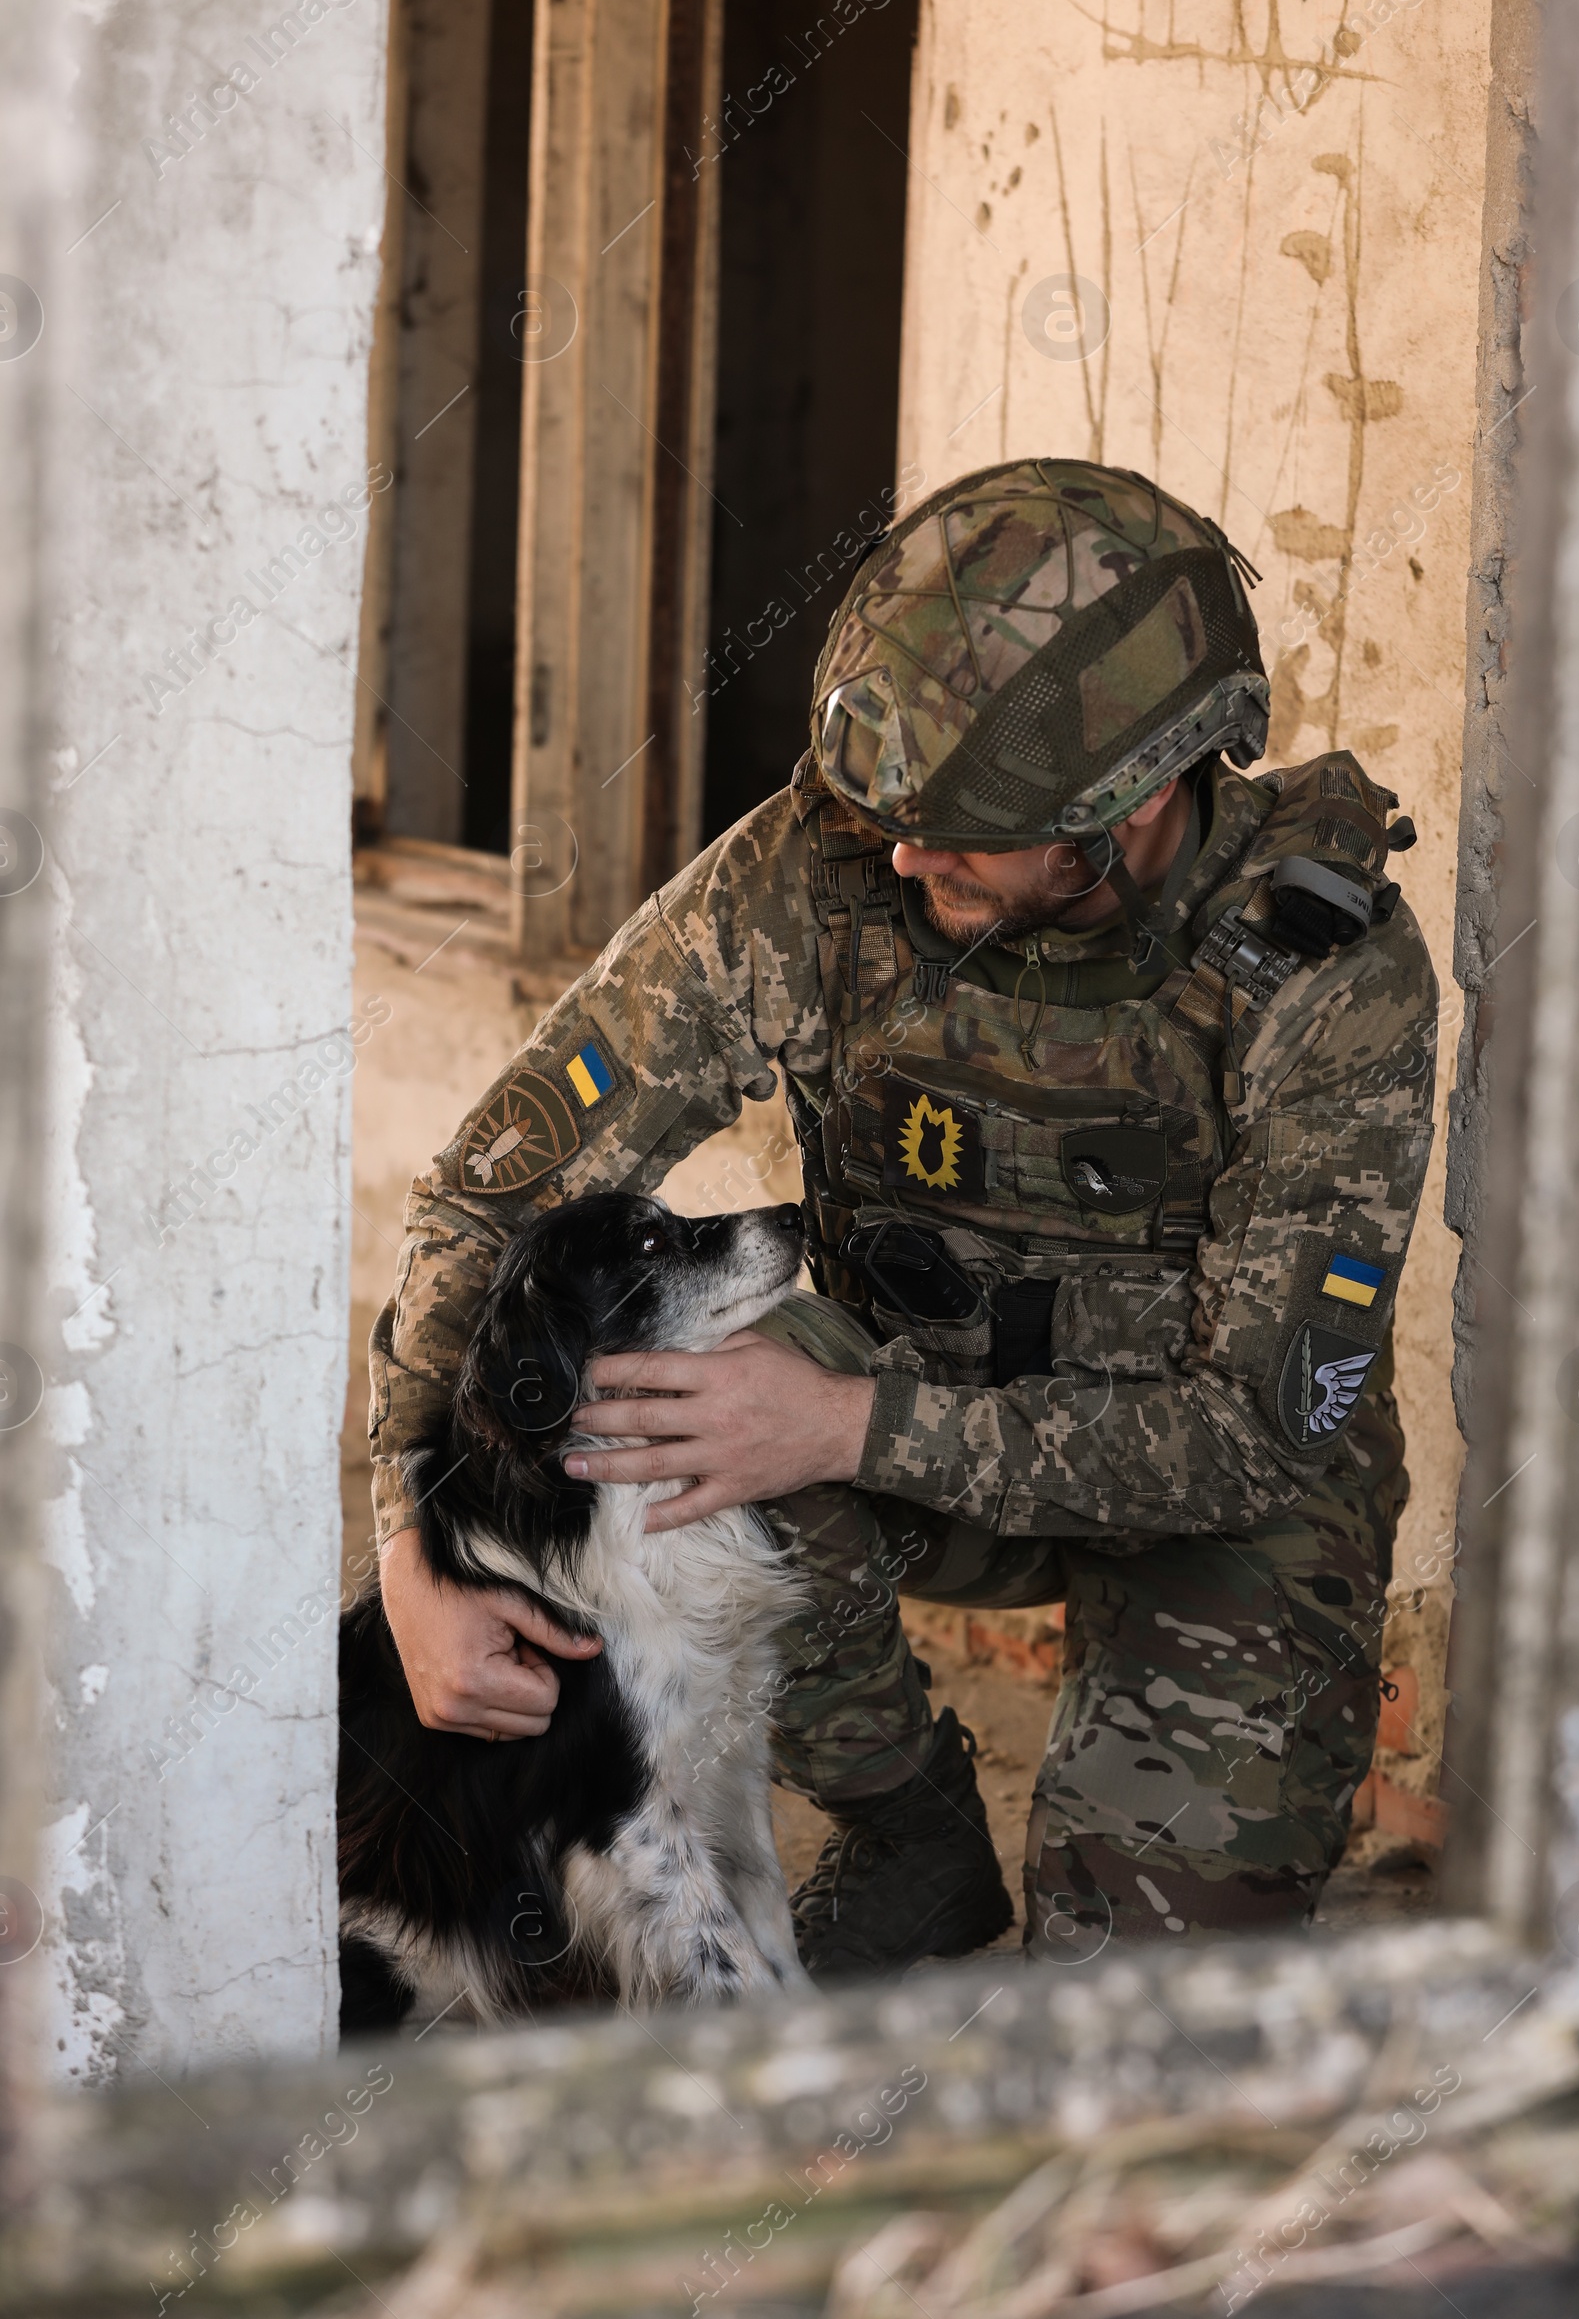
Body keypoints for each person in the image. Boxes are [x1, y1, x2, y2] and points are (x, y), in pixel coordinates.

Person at [372, 459, 1437, 1975]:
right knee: (631, 1396)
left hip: (1226, 1501)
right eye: (893, 813)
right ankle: (907, 1821)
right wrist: (413, 1546)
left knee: (1128, 2009)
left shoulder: (1320, 970)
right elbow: (500, 1185)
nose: (905, 854)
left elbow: (1258, 1434)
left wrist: (850, 1429)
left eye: (960, 829)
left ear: (1130, 804)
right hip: (908, 1414)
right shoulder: (828, 866)